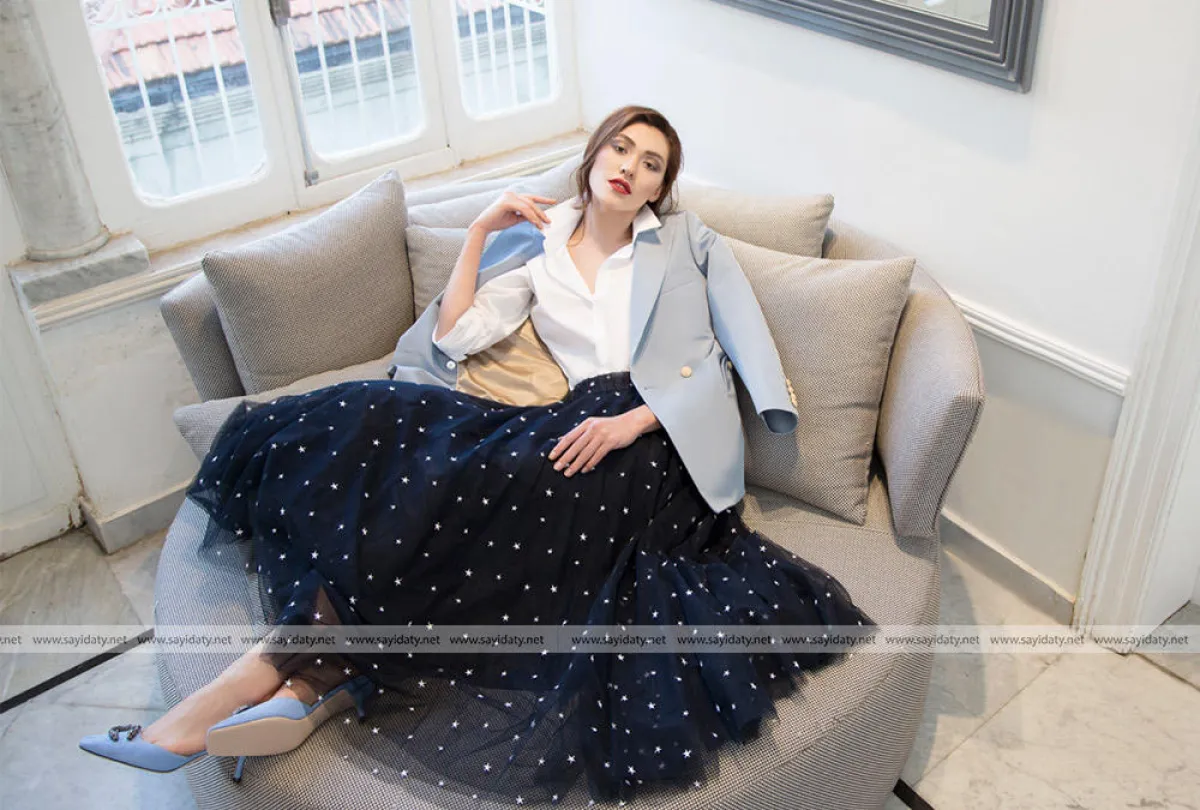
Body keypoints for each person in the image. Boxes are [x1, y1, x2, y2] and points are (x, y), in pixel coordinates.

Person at [80, 104, 875, 805]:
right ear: (594, 154)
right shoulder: (542, 244)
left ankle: (266, 684)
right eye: (621, 148)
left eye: (651, 163)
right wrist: (477, 234)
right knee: (378, 415)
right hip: (570, 417)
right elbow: (457, 333)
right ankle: (308, 679)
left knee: (497, 492)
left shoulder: (688, 244)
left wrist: (638, 422)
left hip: (652, 437)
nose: (631, 167)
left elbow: (729, 351)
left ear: (661, 189)